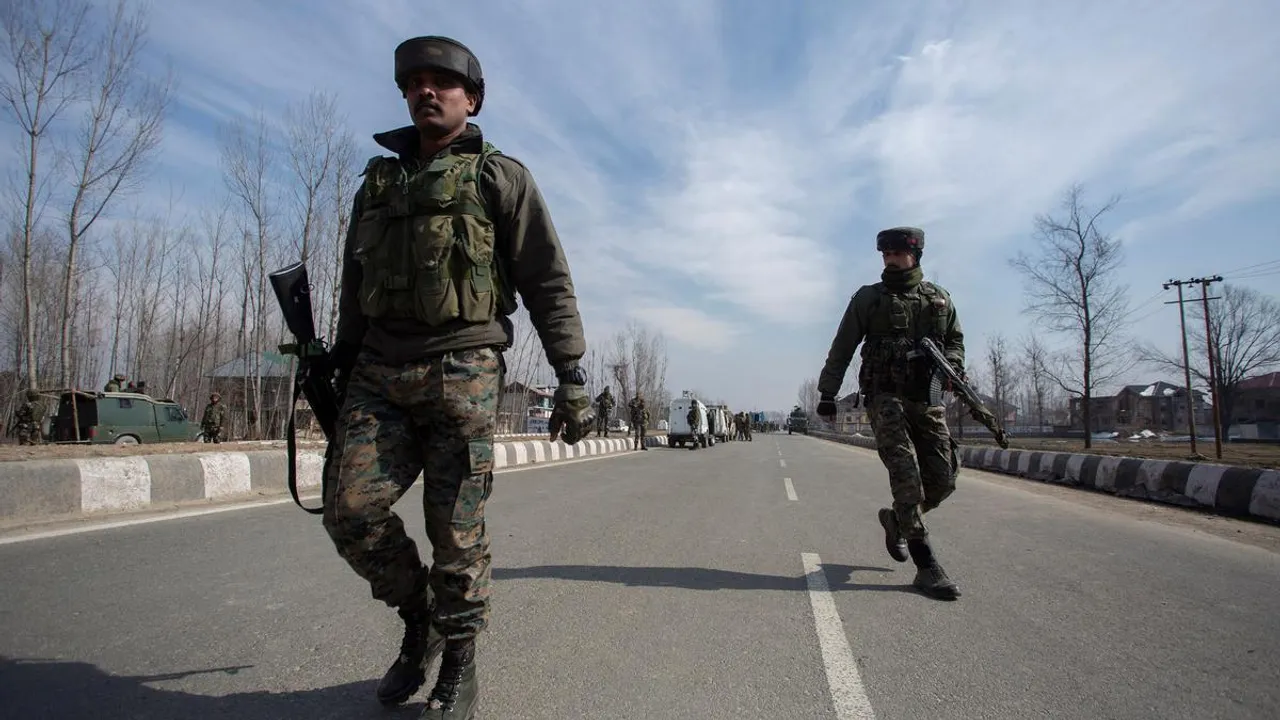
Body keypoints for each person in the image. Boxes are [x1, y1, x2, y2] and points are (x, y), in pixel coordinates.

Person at [321, 35, 592, 719]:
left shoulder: (502, 178)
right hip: (378, 370)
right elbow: (355, 284)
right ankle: (422, 622)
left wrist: (571, 377)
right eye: (413, 82)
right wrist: (339, 358)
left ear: (471, 99)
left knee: (455, 532)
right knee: (350, 512)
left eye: (442, 82)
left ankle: (461, 662)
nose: (425, 91)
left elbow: (548, 282)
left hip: (463, 371)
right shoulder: (379, 182)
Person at [816, 226, 964, 601]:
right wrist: (828, 393)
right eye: (885, 254)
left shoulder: (939, 300)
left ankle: (897, 520)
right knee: (906, 474)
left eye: (897, 253)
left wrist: (953, 365)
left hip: (926, 399)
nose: (890, 259)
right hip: (885, 399)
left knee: (944, 479)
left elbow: (955, 341)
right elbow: (843, 346)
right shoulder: (869, 299)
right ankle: (926, 565)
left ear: (915, 254)